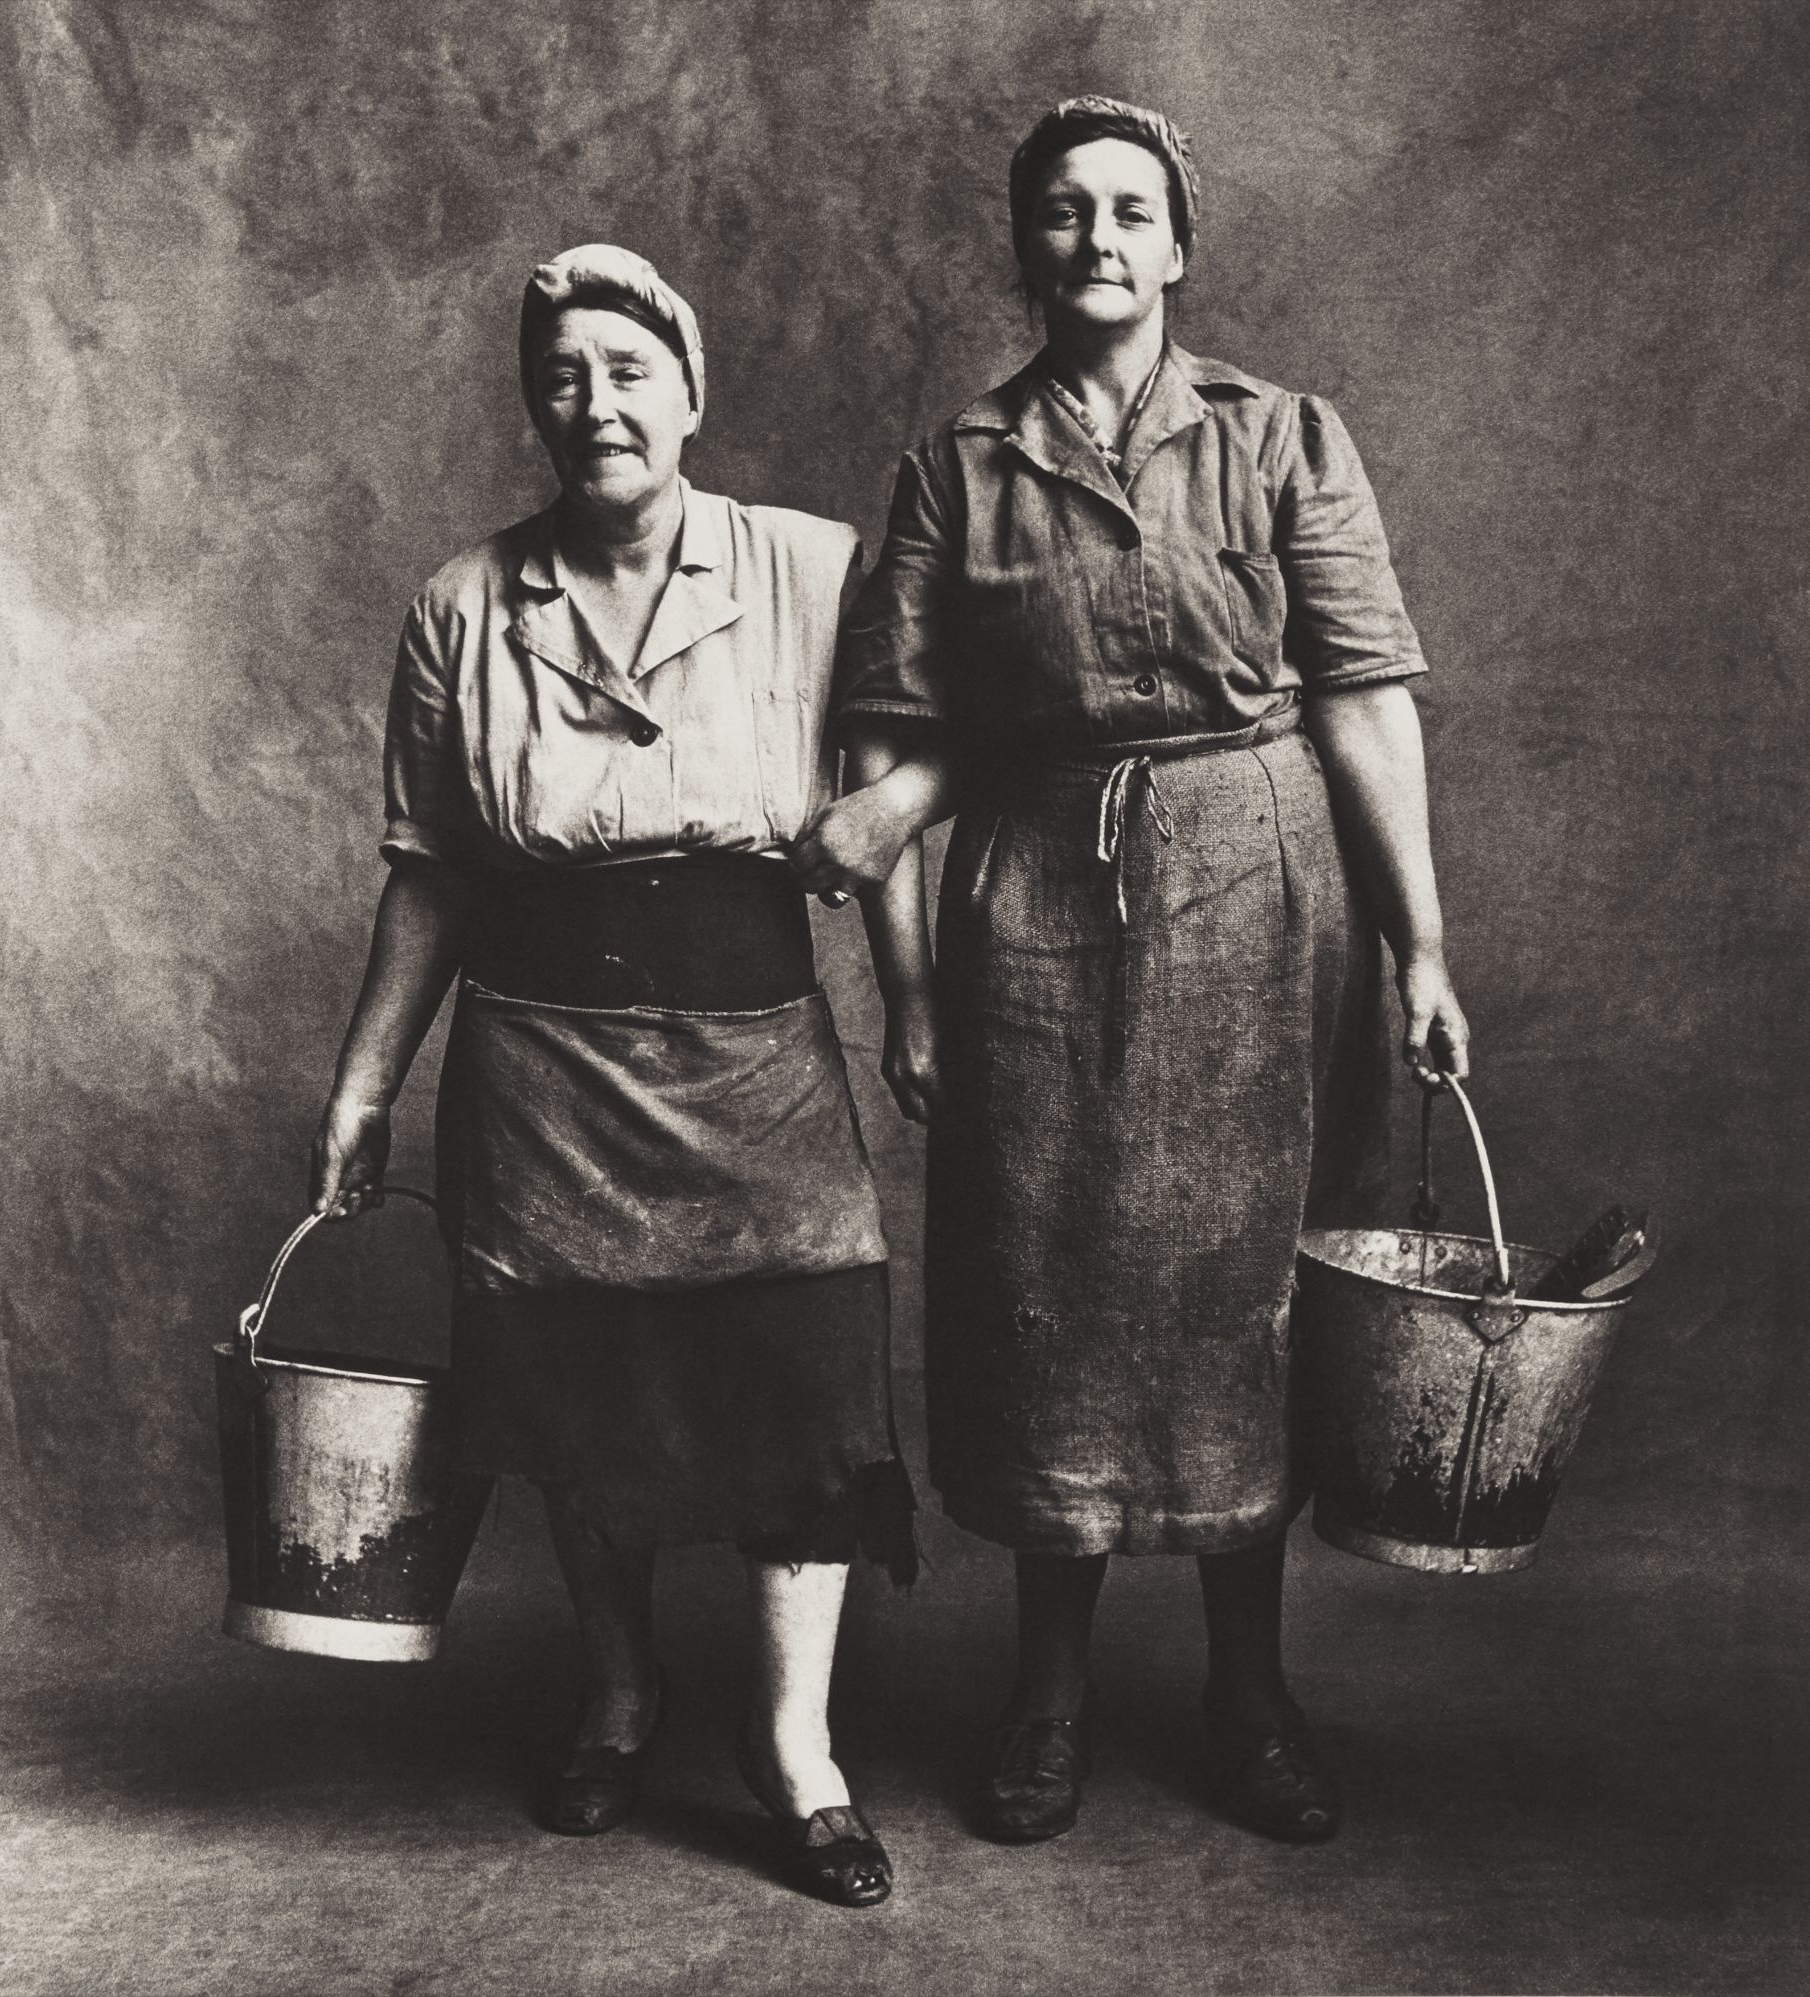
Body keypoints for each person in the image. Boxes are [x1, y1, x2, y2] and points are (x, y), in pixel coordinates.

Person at [793, 97, 1469, 1846]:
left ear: (1178, 246)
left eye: (1130, 210)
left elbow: (1364, 703)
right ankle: (1049, 1691)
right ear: (1024, 248)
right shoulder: (957, 468)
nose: (1098, 236)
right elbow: (889, 739)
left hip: (1260, 894)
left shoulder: (1284, 438)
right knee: (1044, 1281)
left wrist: (1422, 942)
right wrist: (914, 993)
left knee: (1244, 1289)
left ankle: (1251, 1689)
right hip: (1027, 906)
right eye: (1063, 211)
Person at [310, 244, 912, 1908]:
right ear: (535, 403)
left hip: (756, 1059)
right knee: (586, 1402)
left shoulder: (809, 567)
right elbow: (429, 868)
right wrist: (364, 1082)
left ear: (693, 392)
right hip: (541, 1075)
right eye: (564, 375)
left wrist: (907, 948)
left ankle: (798, 1747)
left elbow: (926, 748)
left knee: (804, 1387)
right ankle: (622, 1692)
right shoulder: (459, 603)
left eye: (630, 371)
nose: (598, 405)